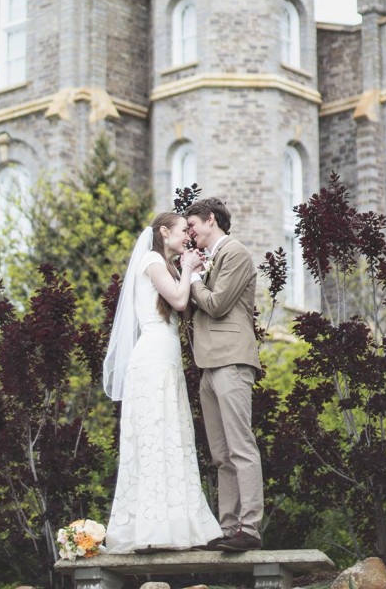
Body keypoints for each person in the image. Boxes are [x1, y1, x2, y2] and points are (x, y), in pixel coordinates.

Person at [103, 212, 222, 553]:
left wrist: (192, 270)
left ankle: (177, 526)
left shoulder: (166, 266)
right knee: (156, 437)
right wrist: (188, 269)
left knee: (172, 437)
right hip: (152, 357)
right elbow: (180, 300)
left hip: (166, 358)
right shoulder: (153, 260)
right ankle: (151, 530)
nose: (188, 235)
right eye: (183, 230)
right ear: (163, 232)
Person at [186, 197, 264, 552]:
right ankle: (228, 528)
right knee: (220, 454)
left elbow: (216, 304)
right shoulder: (208, 258)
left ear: (211, 219)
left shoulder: (235, 253)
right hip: (208, 364)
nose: (190, 233)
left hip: (232, 360)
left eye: (193, 226)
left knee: (241, 446)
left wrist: (194, 278)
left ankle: (250, 528)